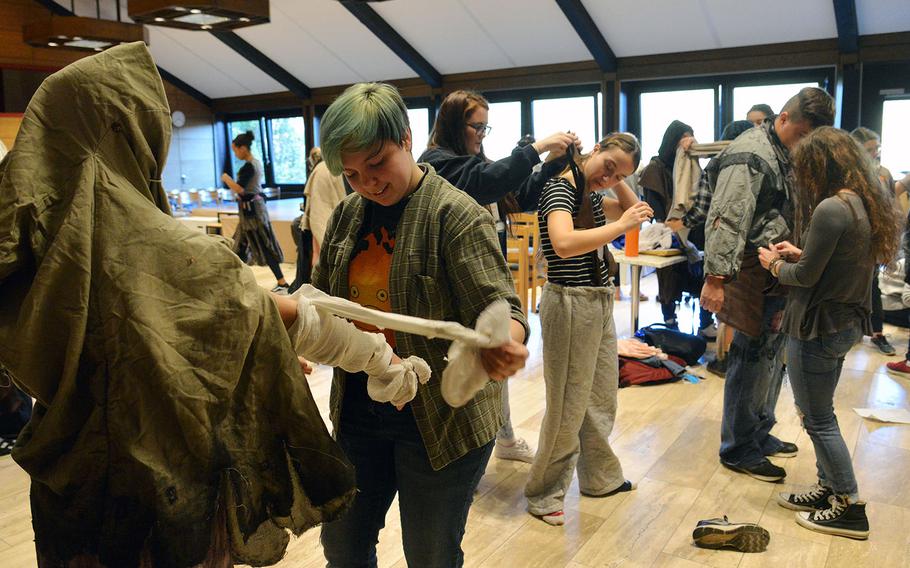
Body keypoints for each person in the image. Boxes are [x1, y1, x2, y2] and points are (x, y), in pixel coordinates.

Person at [0, 42, 408, 567]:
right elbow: (262, 312)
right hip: (160, 503)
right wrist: (377, 357)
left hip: (71, 496)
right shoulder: (161, 250)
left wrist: (259, 345)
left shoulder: (29, 251)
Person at [316, 82, 530, 567]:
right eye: (351, 173)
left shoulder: (455, 215)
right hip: (360, 409)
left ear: (406, 138)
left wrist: (504, 344)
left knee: (430, 553)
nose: (367, 182)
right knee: (343, 545)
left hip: (439, 419)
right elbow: (322, 299)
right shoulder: (348, 216)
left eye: (376, 162)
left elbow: (506, 310)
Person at [419, 89, 578, 463]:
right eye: (477, 127)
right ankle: (462, 454)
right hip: (451, 283)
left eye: (486, 128)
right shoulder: (438, 163)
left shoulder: (473, 162)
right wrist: (536, 147)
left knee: (492, 357)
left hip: (481, 276)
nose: (482, 135)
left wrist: (554, 163)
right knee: (465, 365)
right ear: (456, 125)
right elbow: (486, 181)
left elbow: (518, 196)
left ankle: (500, 439)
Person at [760, 126, 900, 539]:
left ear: (819, 165)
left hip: (817, 325)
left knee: (817, 418)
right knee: (820, 414)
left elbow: (804, 277)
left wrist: (773, 263)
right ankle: (828, 489)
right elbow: (835, 263)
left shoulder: (830, 209)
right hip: (843, 322)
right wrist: (803, 253)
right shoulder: (861, 204)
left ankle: (849, 505)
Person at [701, 86, 835, 482]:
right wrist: (715, 278)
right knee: (750, 356)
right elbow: (726, 216)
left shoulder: (782, 150)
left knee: (771, 354)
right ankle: (738, 447)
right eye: (802, 135)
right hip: (747, 270)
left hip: (775, 268)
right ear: (783, 120)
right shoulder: (753, 153)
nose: (805, 145)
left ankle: (758, 432)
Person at [525, 132, 652, 526]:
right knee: (567, 404)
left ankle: (599, 478)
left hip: (597, 300)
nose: (609, 179)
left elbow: (639, 212)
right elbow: (562, 243)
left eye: (619, 175)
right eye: (608, 166)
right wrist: (621, 223)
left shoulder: (590, 192)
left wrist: (615, 176)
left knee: (600, 397)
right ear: (594, 149)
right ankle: (544, 492)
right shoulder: (560, 189)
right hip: (569, 302)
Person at [665, 119, 755, 373]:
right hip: (758, 246)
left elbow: (702, 207)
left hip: (723, 244)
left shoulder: (717, 165)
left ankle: (726, 360)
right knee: (748, 305)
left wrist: (681, 222)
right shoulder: (767, 165)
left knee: (726, 306)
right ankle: (746, 360)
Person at [638, 120, 707, 332]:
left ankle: (706, 322)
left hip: (694, 228)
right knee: (670, 278)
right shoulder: (654, 169)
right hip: (669, 232)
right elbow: (657, 214)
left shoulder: (691, 165)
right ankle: (669, 320)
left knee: (702, 274)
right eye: (682, 139)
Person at [221, 131, 288, 293]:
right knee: (239, 246)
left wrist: (226, 179)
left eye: (235, 150)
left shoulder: (249, 166)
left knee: (263, 245)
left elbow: (240, 189)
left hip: (253, 214)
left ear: (243, 148)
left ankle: (282, 282)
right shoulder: (256, 163)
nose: (235, 154)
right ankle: (236, 282)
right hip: (252, 212)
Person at [850, 127, 897, 354]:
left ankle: (877, 332)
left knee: (873, 284)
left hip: (875, 235)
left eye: (877, 148)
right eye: (870, 149)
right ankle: (850, 330)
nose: (875, 153)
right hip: (852, 237)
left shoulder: (884, 173)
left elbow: (891, 206)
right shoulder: (848, 173)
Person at [289, 147, 346, 293]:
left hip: (330, 237)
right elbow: (318, 219)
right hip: (325, 238)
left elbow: (318, 219)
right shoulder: (325, 170)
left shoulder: (326, 170)